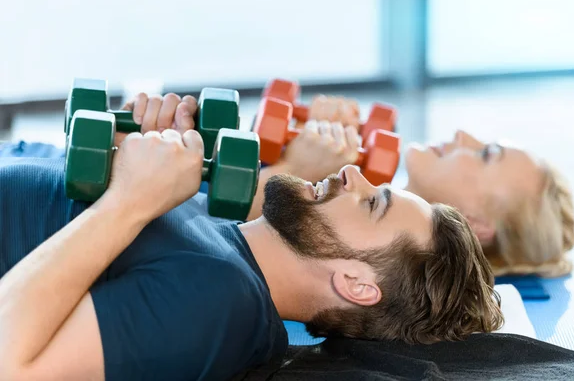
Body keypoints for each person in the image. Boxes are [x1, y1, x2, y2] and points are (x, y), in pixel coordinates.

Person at [0, 93, 503, 381]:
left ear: (356, 283)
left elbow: (11, 365)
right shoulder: (228, 234)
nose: (354, 175)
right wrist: (124, 149)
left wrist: (129, 201)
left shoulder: (221, 304)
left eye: (374, 203)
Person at [307, 95, 574, 278]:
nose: (462, 135)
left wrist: (292, 172)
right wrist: (302, 134)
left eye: (485, 155)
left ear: (473, 223)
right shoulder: (346, 174)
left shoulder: (345, 256)